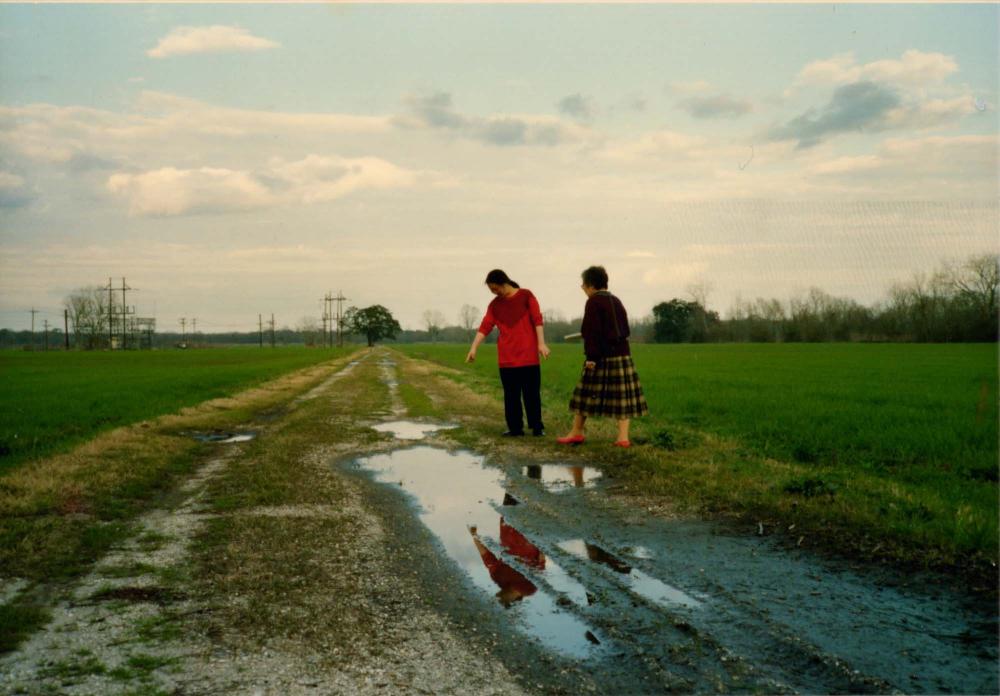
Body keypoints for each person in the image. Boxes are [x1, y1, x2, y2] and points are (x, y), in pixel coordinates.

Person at [558, 265, 648, 447]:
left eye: (583, 284)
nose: (582, 288)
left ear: (591, 285)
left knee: (584, 394)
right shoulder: (616, 300)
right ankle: (623, 438)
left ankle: (576, 433)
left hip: (601, 356)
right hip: (623, 354)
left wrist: (591, 358)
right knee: (623, 398)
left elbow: (592, 332)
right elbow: (624, 330)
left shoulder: (593, 302)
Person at [466, 269, 550, 436]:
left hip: (528, 357)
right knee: (511, 396)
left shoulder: (526, 295)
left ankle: (537, 427)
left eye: (495, 289)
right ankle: (515, 428)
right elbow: (485, 326)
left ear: (504, 283)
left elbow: (537, 320)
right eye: (491, 290)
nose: (494, 293)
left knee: (531, 394)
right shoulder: (495, 305)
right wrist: (474, 347)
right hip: (507, 358)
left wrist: (541, 343)